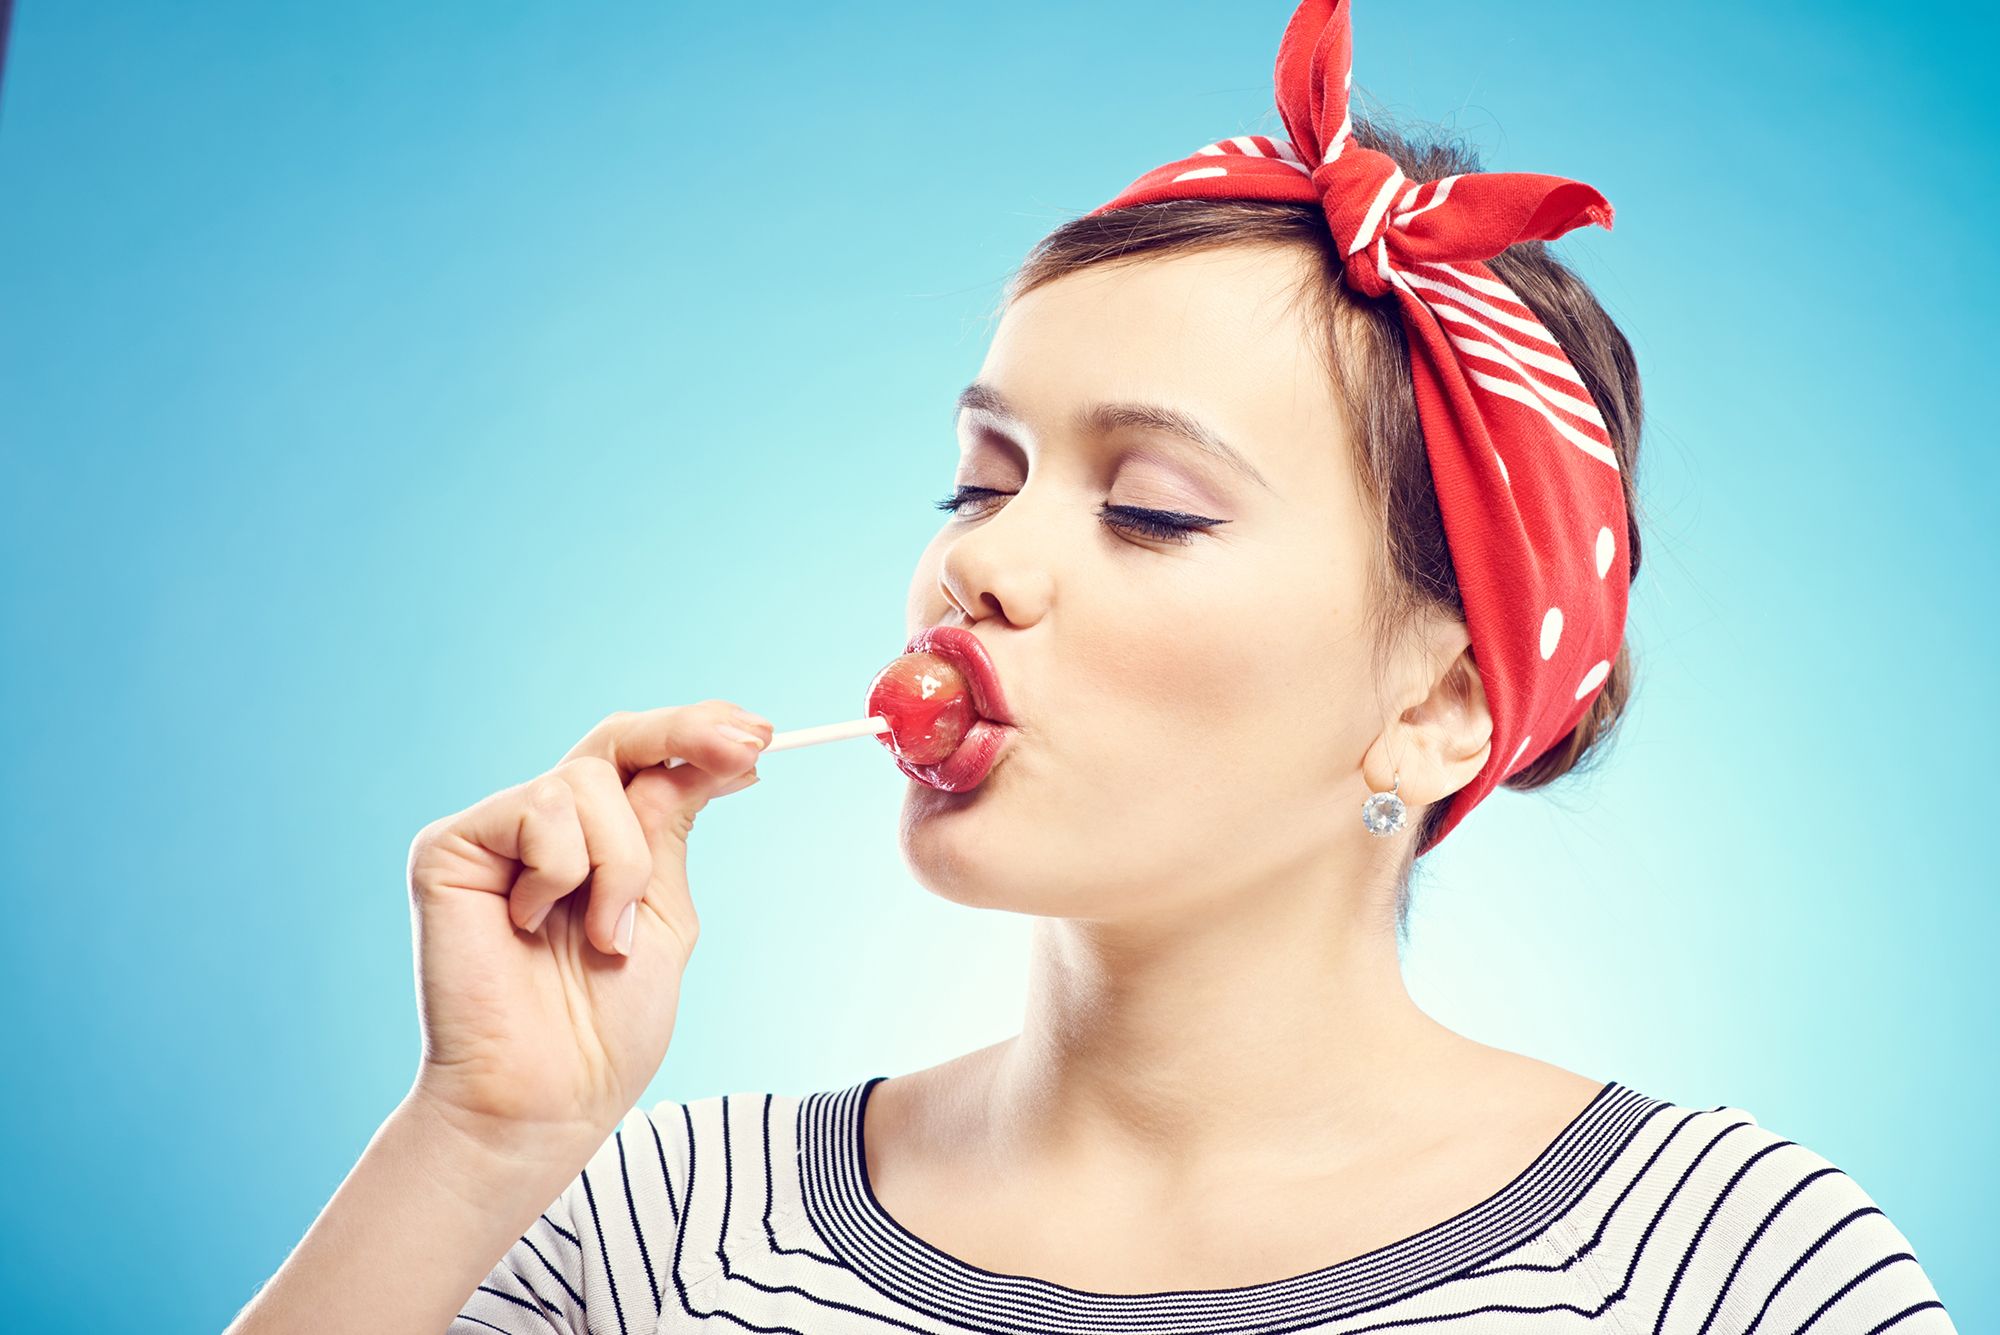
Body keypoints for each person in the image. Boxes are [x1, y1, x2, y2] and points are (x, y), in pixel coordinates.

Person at [225, 3, 1956, 1332]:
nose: (978, 561)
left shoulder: (1724, 1264)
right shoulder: (660, 1228)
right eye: (981, 480)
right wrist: (476, 1138)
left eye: (1149, 508)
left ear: (1436, 706)